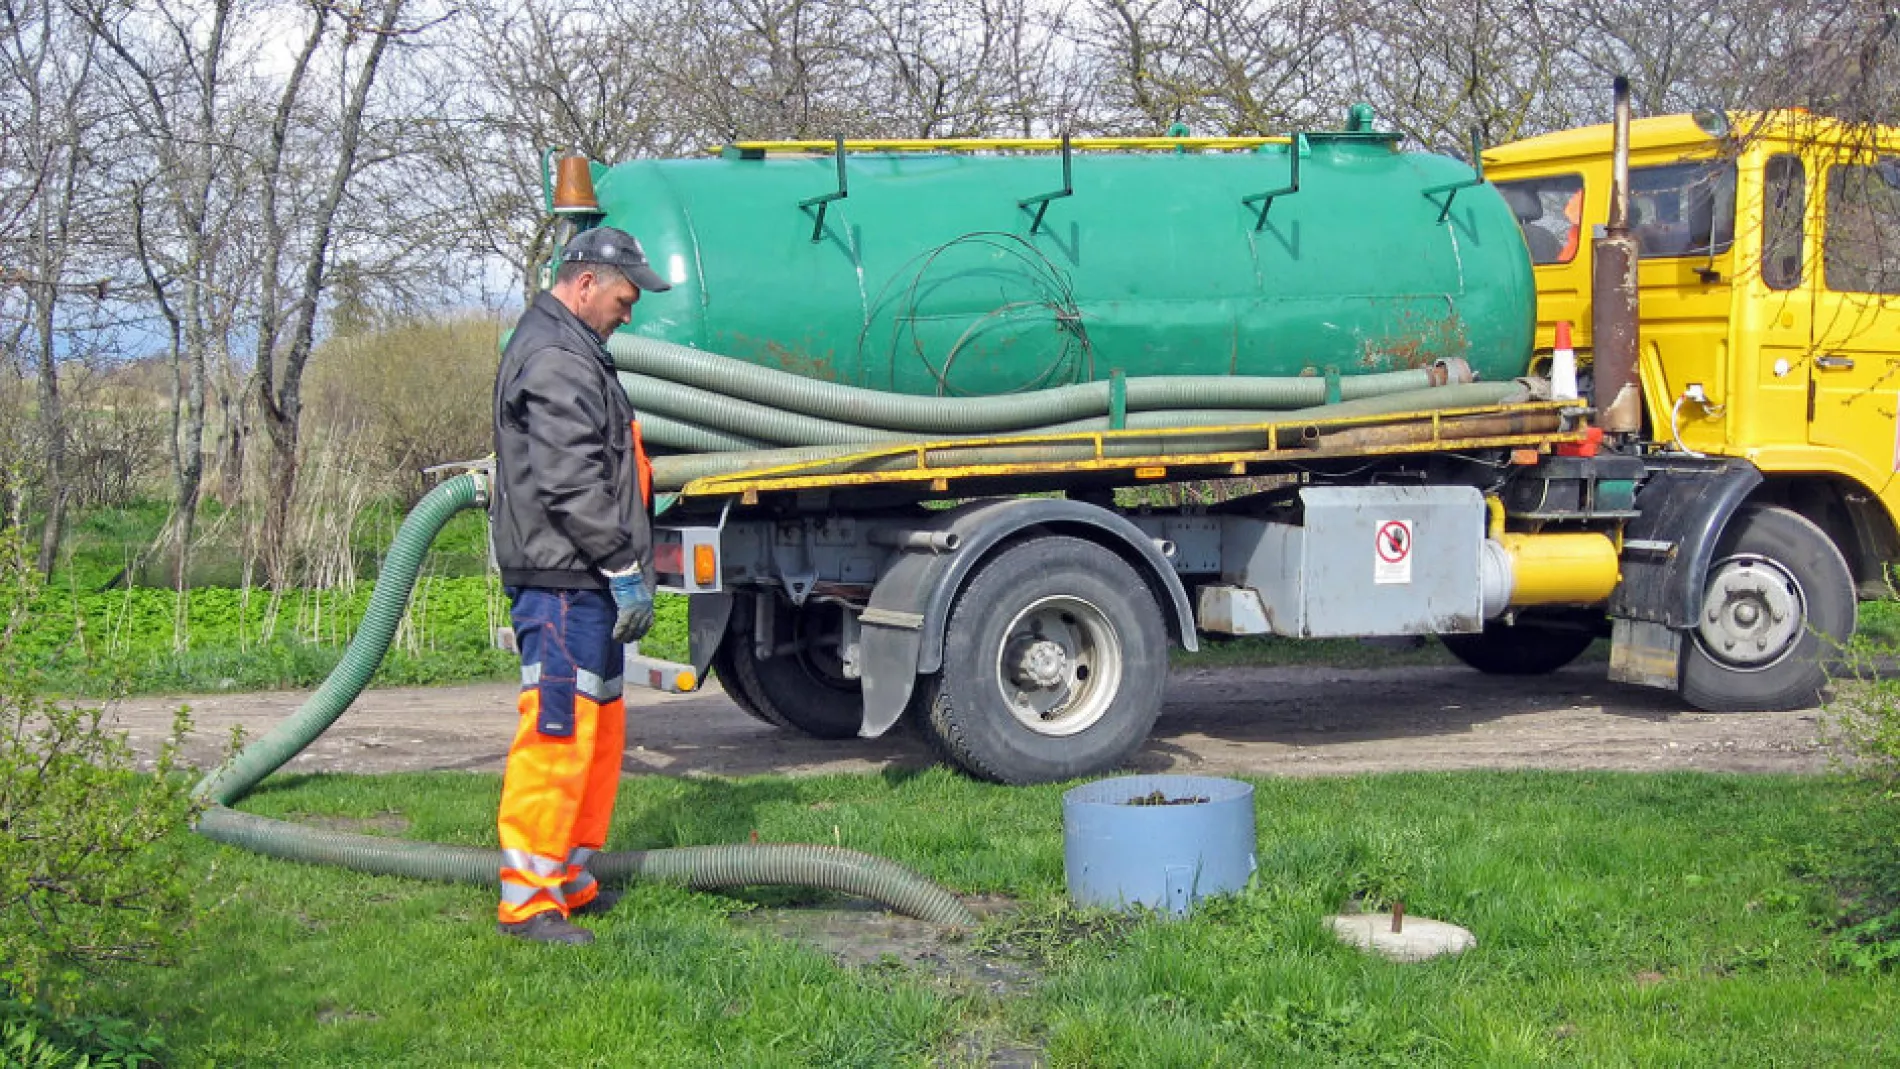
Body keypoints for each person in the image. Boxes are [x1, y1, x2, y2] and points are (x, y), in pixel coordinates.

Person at [490, 226, 671, 945]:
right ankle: (529, 901)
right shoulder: (558, 358)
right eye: (625, 299)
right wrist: (622, 564)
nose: (629, 314)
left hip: (579, 575)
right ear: (587, 282)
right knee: (559, 730)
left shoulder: (572, 349)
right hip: (566, 578)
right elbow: (570, 481)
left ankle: (566, 877)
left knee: (595, 732)